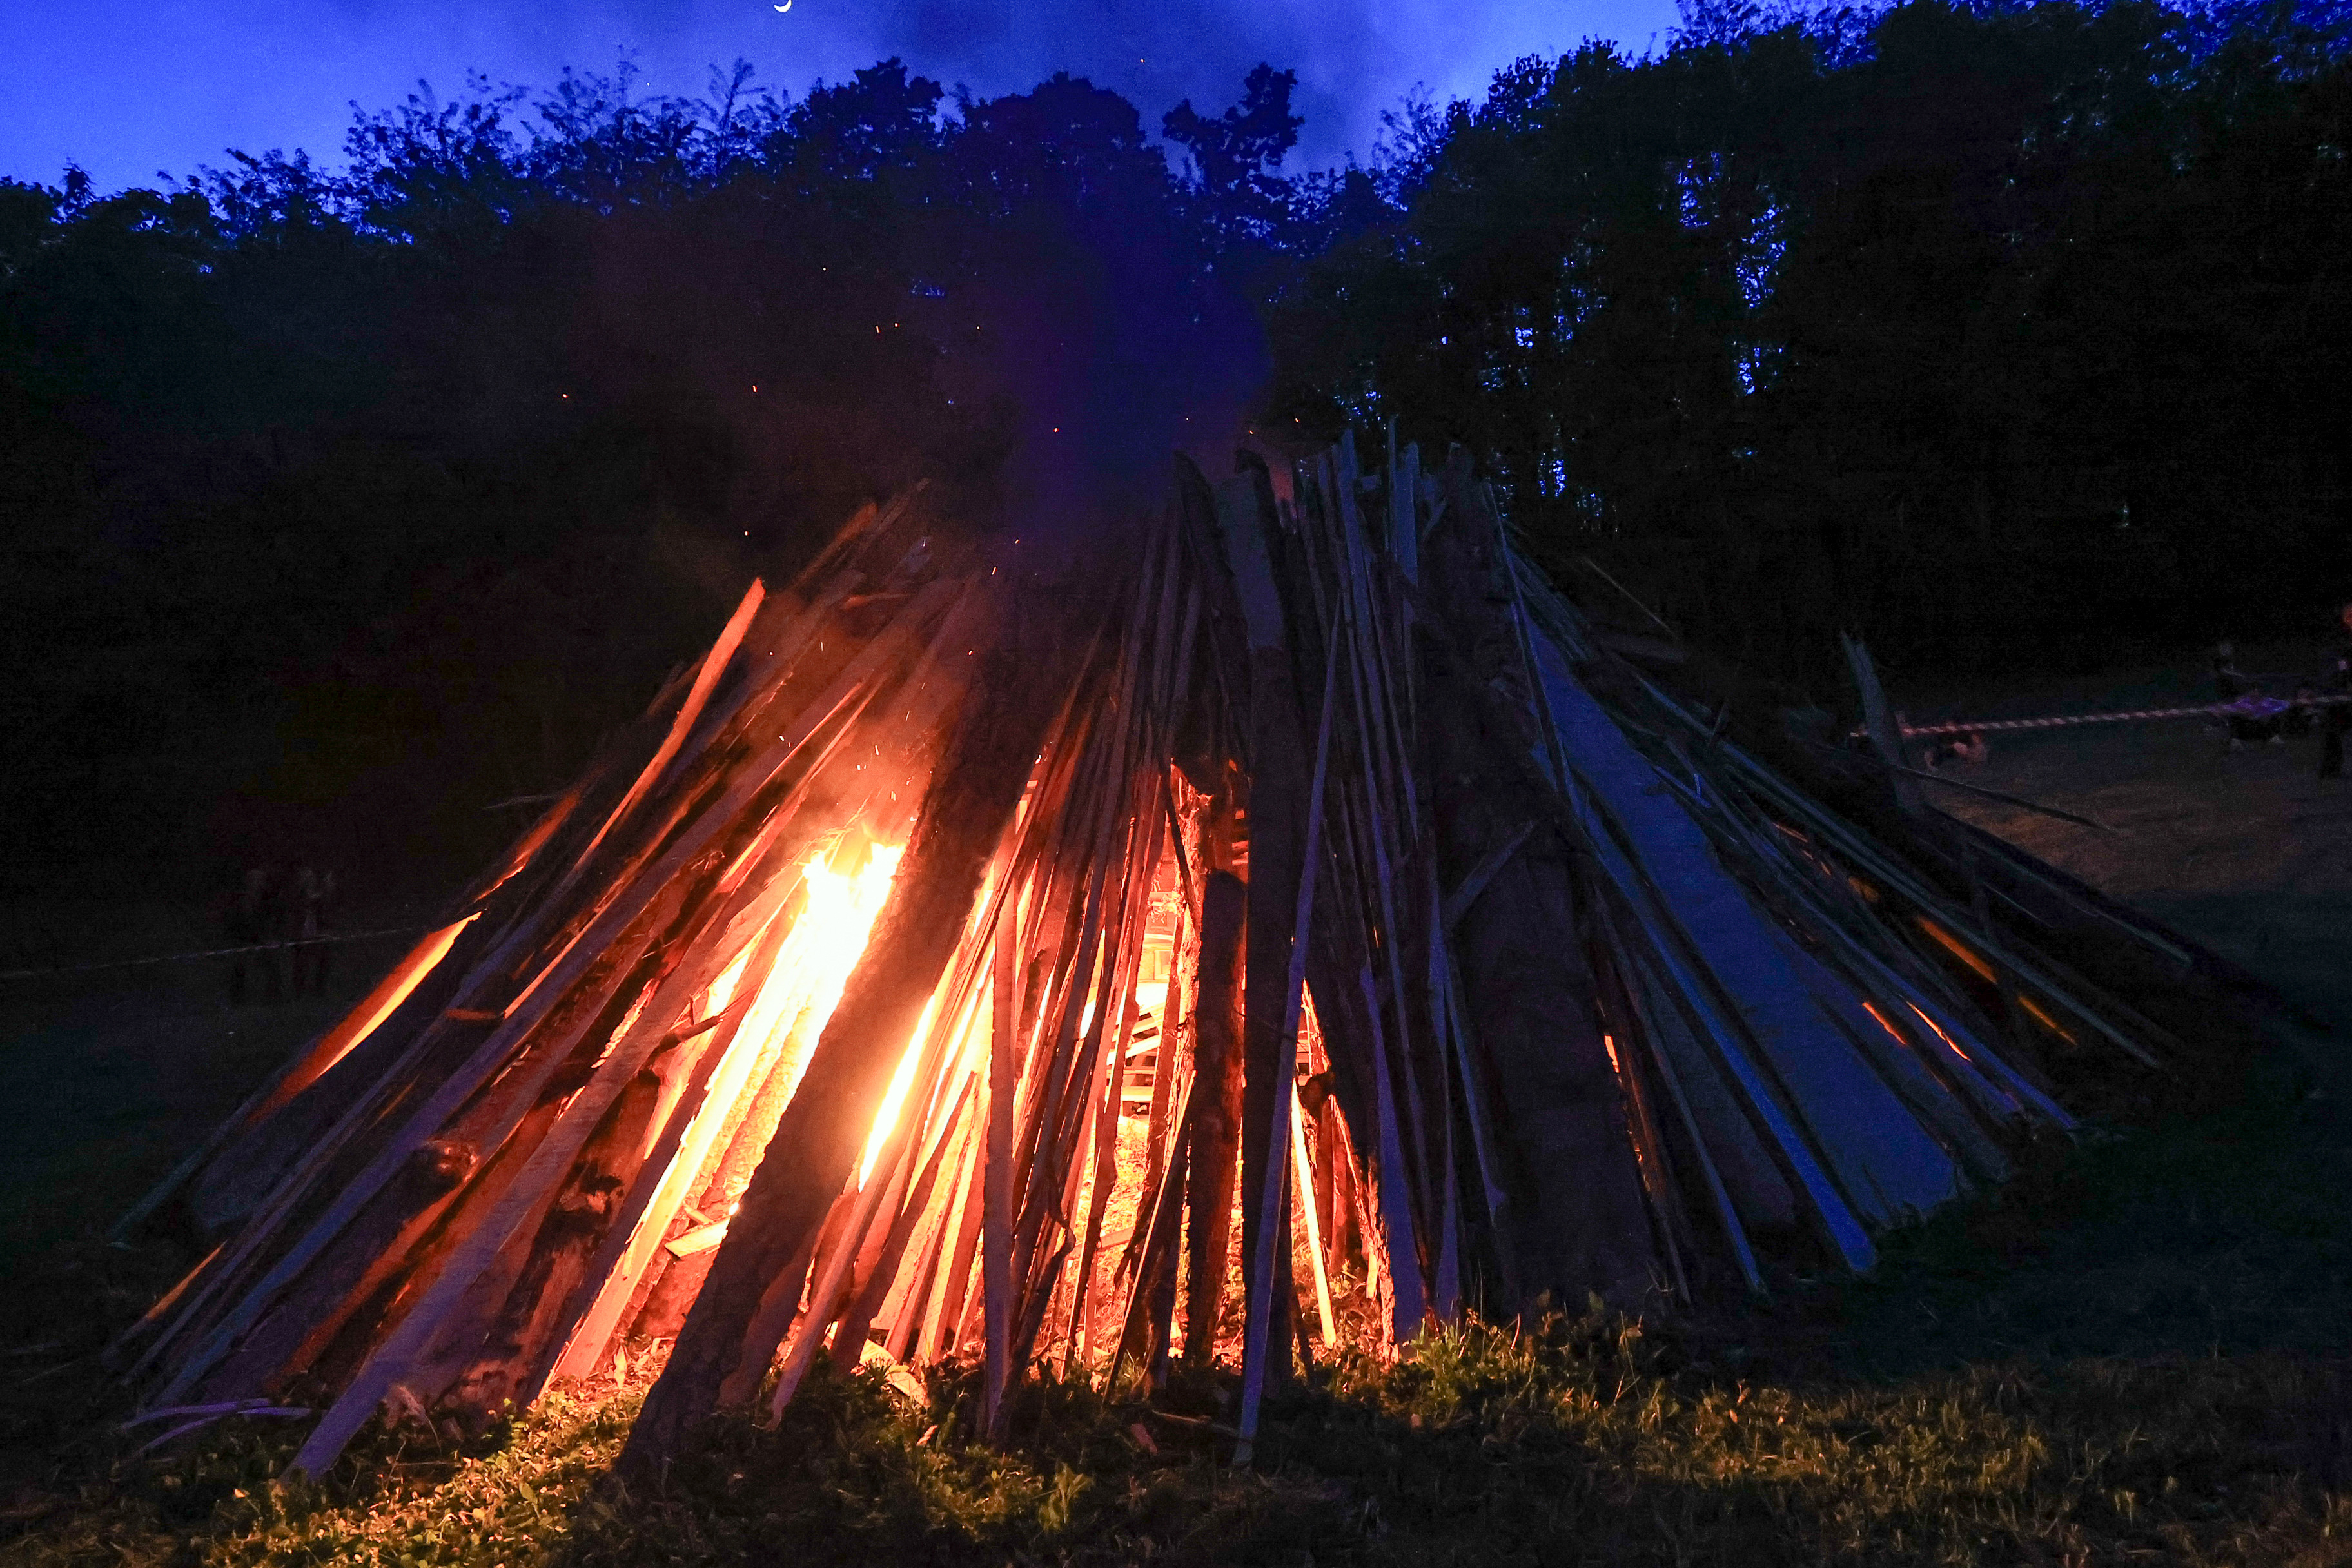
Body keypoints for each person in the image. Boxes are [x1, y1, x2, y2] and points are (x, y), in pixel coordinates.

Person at [2322, 602, 2352, 781]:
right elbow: (2336, 665)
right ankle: (2333, 770)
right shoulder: (2338, 640)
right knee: (2336, 733)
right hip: (2341, 696)